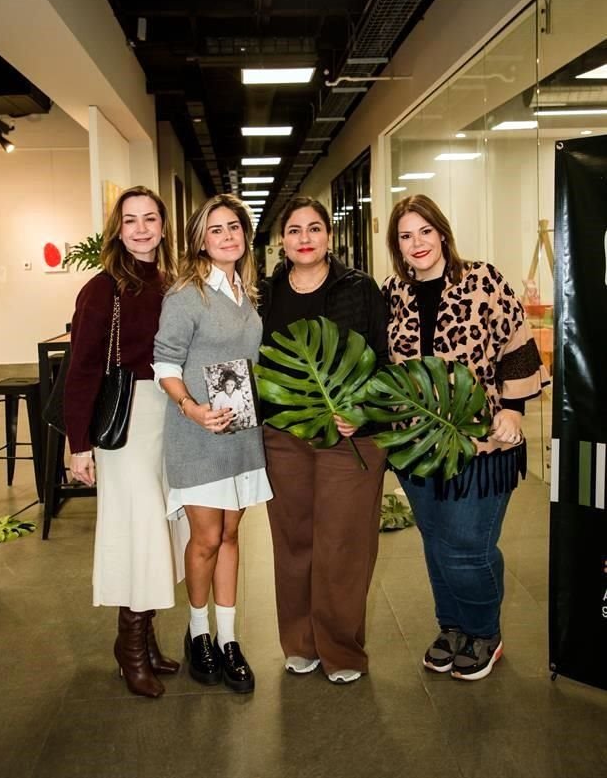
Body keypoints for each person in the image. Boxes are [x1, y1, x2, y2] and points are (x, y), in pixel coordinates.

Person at [383, 194, 549, 681]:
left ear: (442, 232)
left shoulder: (483, 280)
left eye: (424, 231)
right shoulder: (392, 292)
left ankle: (484, 633)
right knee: (436, 543)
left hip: (481, 443)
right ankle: (452, 626)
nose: (417, 243)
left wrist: (514, 412)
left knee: (468, 546)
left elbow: (517, 345)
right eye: (405, 236)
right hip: (417, 446)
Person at [259, 196, 388, 685]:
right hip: (284, 433)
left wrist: (365, 411)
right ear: (283, 241)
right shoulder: (266, 293)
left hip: (349, 436)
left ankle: (343, 650)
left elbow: (381, 358)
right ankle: (300, 643)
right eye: (294, 230)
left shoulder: (359, 288)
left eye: (314, 228)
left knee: (343, 544)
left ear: (328, 236)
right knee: (293, 541)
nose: (305, 238)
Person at [153, 194, 271, 694]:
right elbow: (165, 366)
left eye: (235, 228)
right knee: (205, 538)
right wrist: (193, 409)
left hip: (241, 433)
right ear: (201, 239)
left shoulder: (247, 292)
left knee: (230, 536)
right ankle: (197, 634)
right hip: (198, 433)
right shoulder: (186, 294)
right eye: (216, 229)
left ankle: (228, 639)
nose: (228, 236)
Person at [64, 185, 178, 699]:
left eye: (149, 218)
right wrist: (78, 443)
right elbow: (82, 369)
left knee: (157, 531)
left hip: (167, 418)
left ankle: (146, 635)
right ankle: (129, 646)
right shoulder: (103, 288)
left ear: (161, 225)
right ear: (117, 228)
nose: (139, 228)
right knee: (139, 530)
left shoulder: (172, 280)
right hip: (126, 421)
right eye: (129, 220)